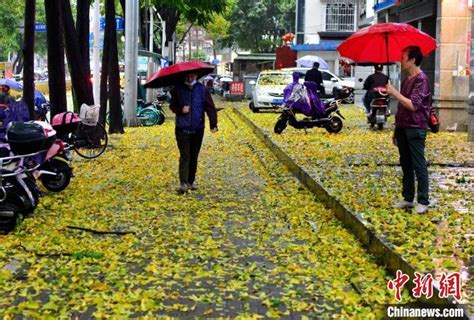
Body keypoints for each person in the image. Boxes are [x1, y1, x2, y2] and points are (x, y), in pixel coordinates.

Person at [385, 46, 431, 214]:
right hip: (403, 127)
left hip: (416, 127)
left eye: (404, 58)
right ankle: (408, 198)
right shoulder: (407, 79)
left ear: (413, 60)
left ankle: (423, 200)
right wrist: (396, 130)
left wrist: (394, 92)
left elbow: (413, 105)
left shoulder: (422, 80)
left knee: (419, 165)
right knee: (406, 164)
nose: (401, 61)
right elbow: (402, 108)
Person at [169, 72, 218, 193]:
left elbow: (210, 107)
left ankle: (190, 182)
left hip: (198, 128)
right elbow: (172, 106)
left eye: (192, 75)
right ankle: (183, 182)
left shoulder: (203, 90)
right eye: (188, 76)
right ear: (184, 76)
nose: (190, 78)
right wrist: (181, 109)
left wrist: (213, 124)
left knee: (194, 156)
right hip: (182, 128)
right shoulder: (178, 89)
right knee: (185, 155)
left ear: (196, 76)